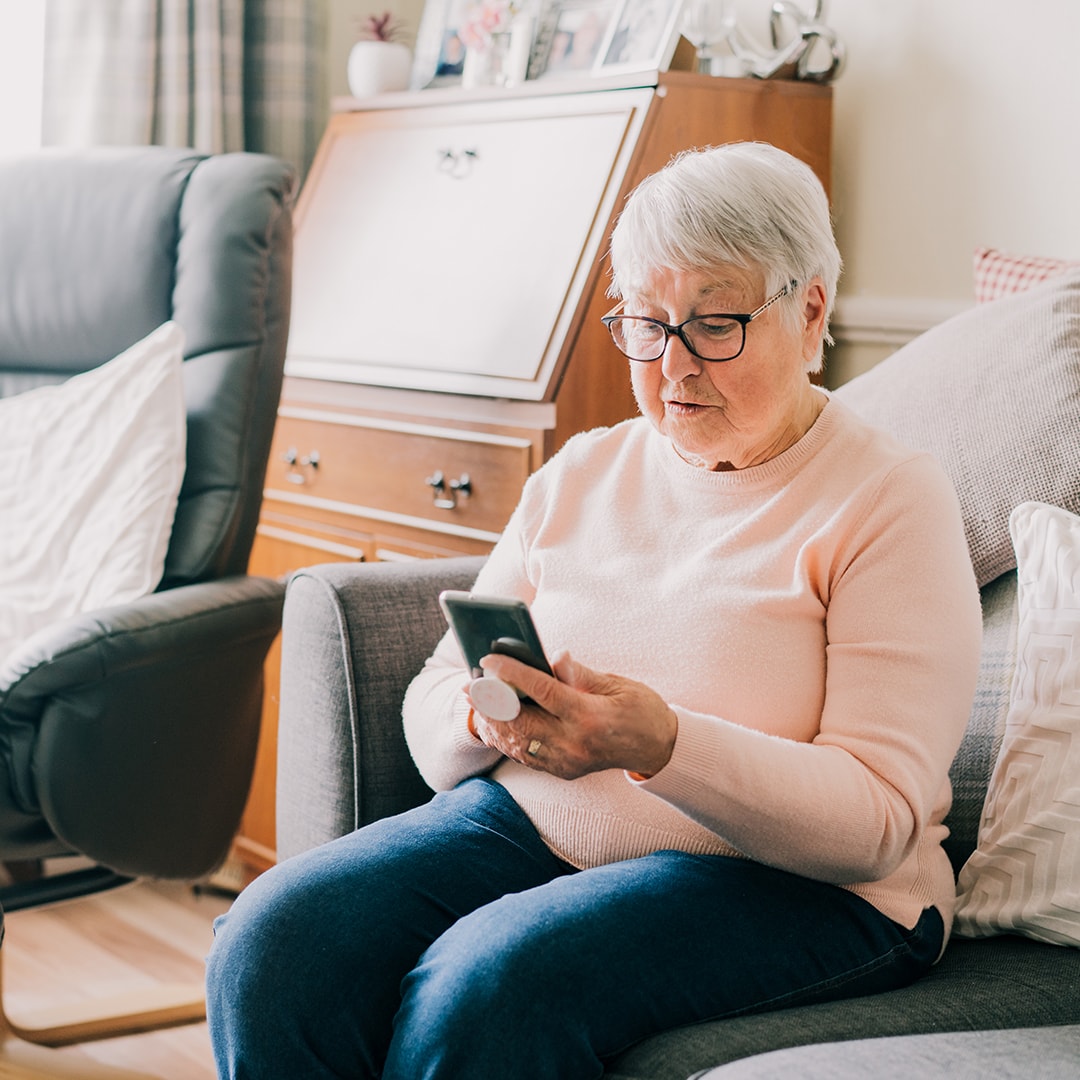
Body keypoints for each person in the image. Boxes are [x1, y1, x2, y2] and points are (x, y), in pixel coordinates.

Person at [205, 142, 983, 1079]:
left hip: (802, 884)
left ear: (810, 309)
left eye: (715, 325)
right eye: (647, 324)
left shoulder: (889, 500)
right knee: (271, 944)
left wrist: (663, 746)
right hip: (533, 824)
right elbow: (436, 699)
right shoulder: (585, 471)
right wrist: (484, 716)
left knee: (487, 988)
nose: (674, 365)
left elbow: (878, 819)